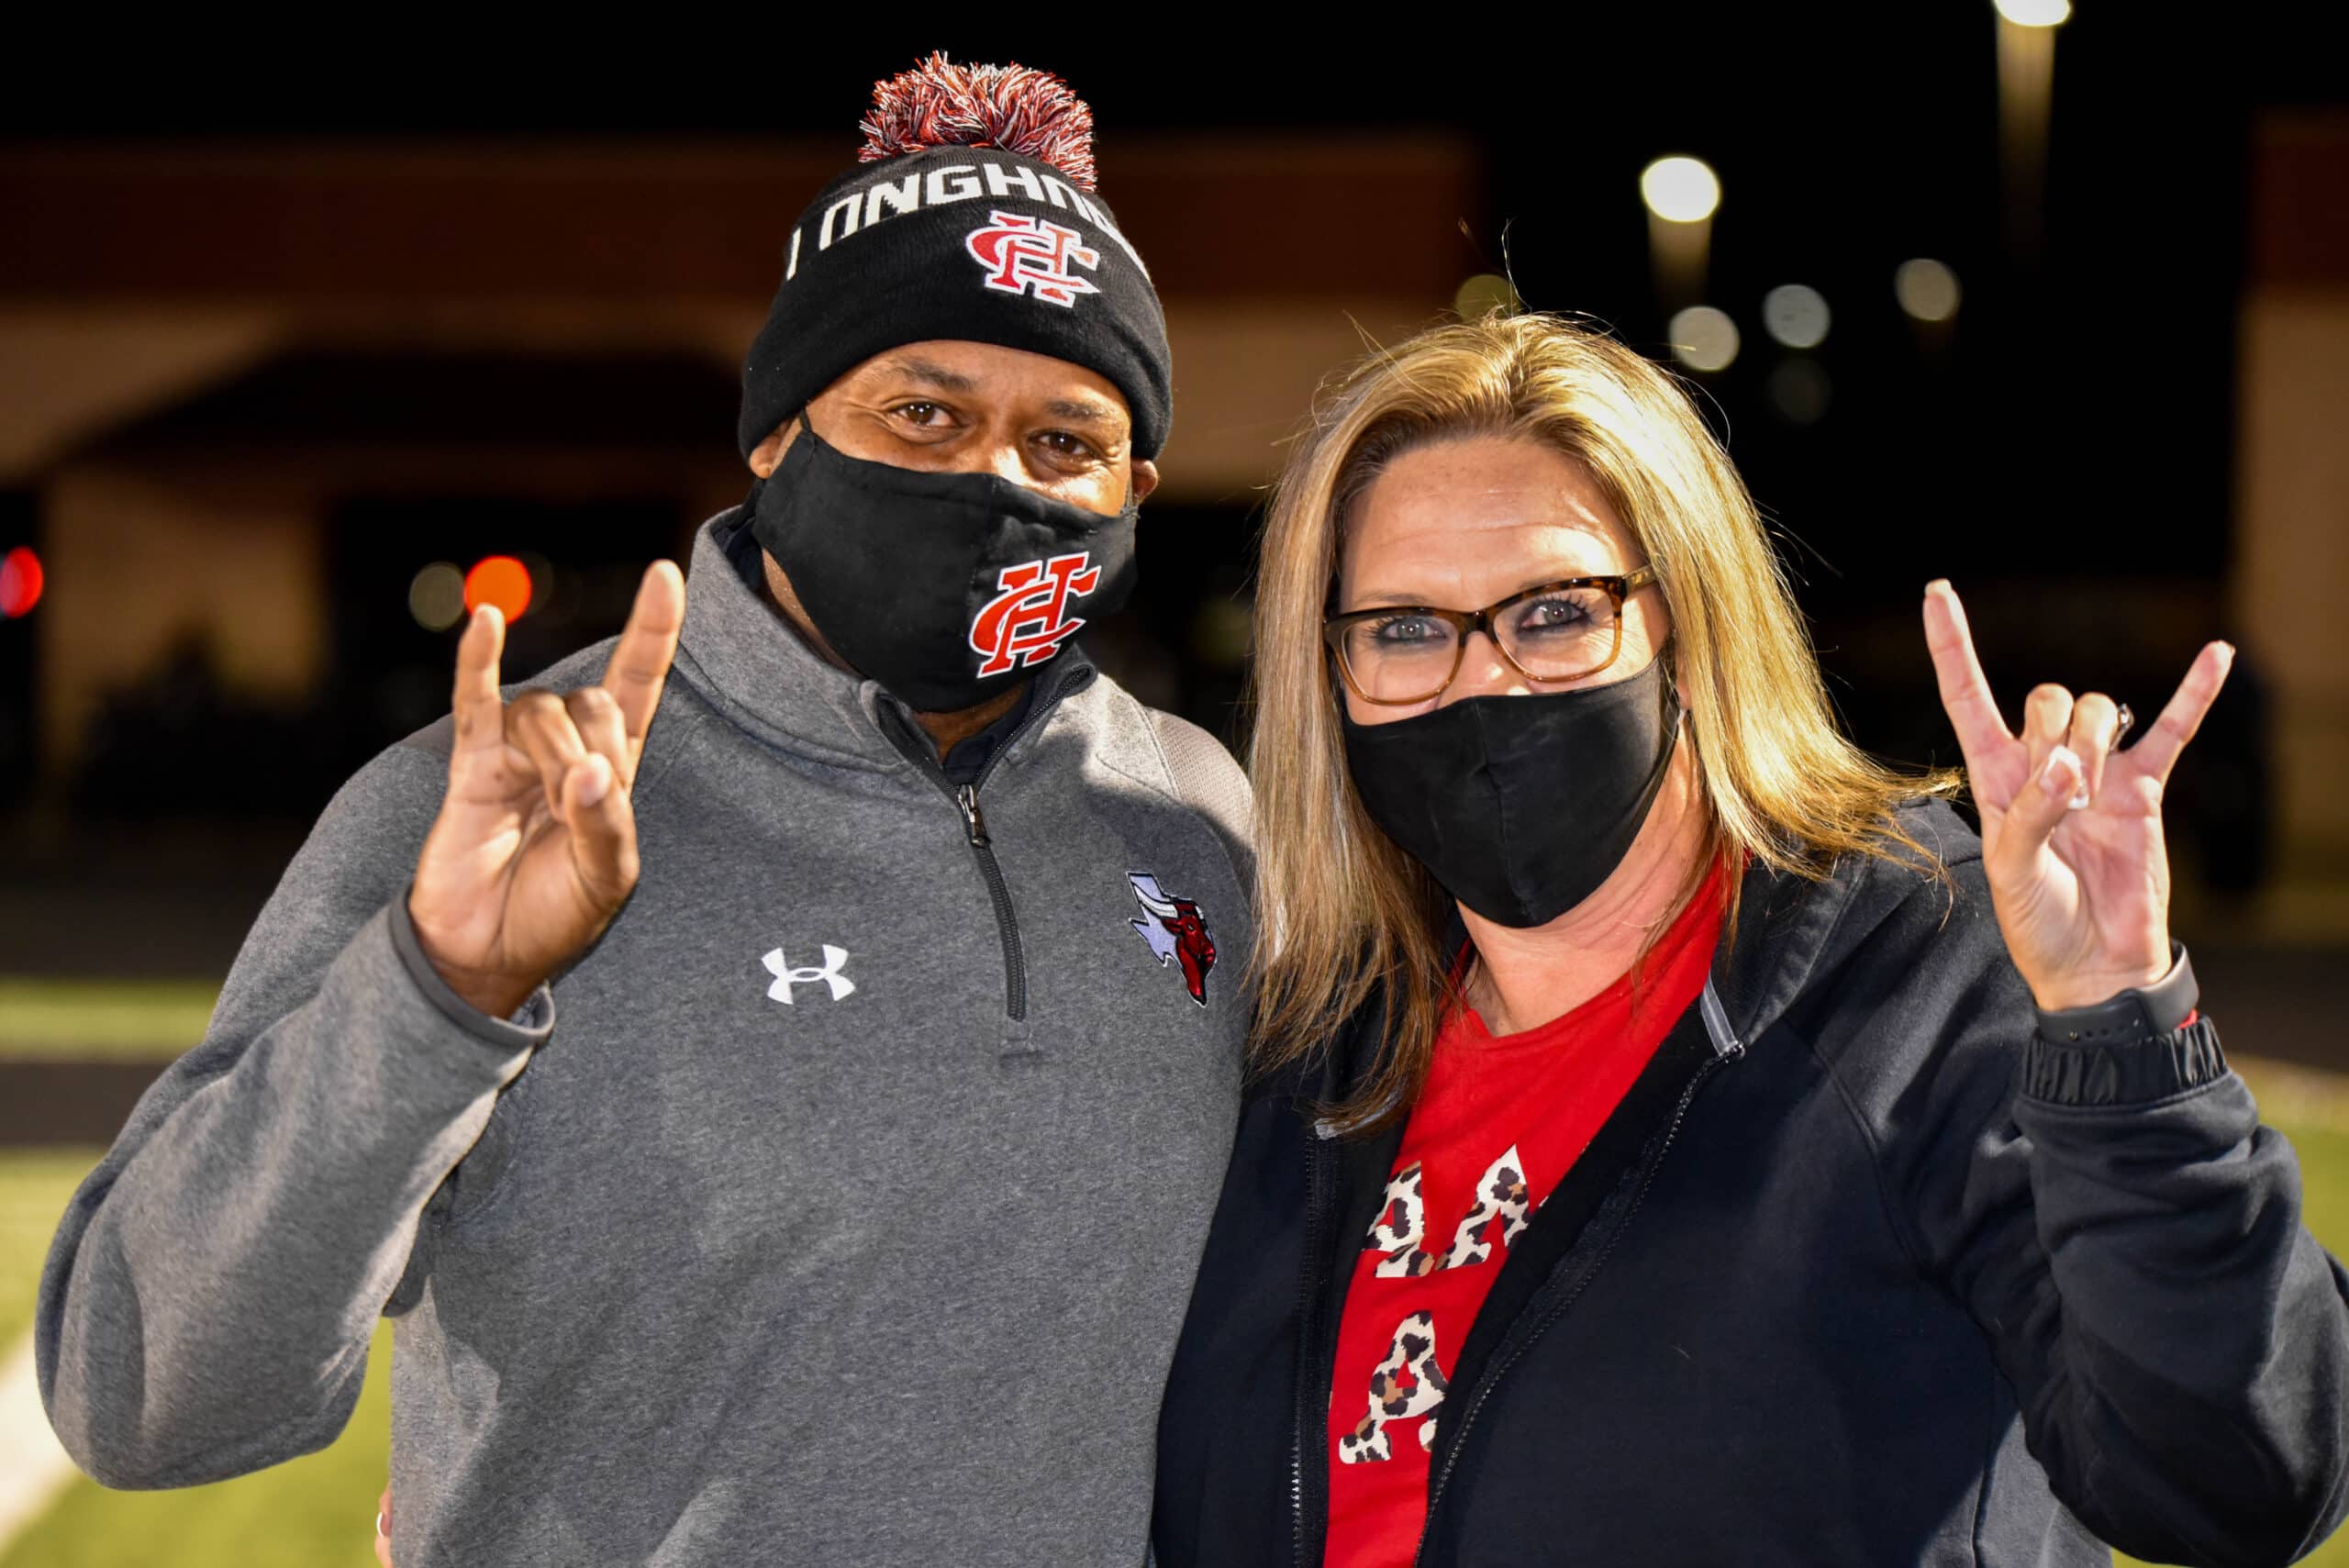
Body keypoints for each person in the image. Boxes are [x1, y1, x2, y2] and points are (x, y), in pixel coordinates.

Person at [37, 57, 1253, 1568]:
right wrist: (436, 993)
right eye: (923, 412)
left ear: (1137, 483)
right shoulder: (492, 797)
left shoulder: (1201, 815)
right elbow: (143, 1389)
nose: (995, 479)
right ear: (778, 431)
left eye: (1064, 441)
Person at [1151, 313, 2349, 1567]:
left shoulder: (1917, 972)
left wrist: (2119, 1028)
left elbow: (2238, 1474)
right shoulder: (1312, 1047)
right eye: (1404, 629)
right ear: (1328, 674)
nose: (1485, 683)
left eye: (1556, 611)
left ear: (1684, 627)